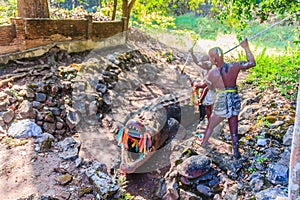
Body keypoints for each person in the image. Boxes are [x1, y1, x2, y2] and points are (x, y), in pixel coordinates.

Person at [197, 39, 256, 159]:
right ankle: (235, 150)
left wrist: (208, 80)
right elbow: (252, 63)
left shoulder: (212, 73)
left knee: (211, 124)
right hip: (234, 98)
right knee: (233, 124)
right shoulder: (234, 65)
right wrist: (246, 47)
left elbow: (210, 88)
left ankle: (204, 142)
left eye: (210, 57)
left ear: (214, 59)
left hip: (222, 99)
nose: (209, 60)